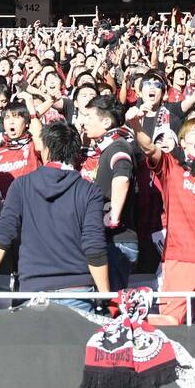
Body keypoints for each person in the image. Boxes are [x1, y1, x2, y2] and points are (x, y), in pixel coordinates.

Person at [0, 120, 110, 312]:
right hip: (77, 293)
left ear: (46, 150)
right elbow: (94, 248)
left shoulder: (21, 185)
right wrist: (106, 298)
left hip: (32, 293)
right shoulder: (89, 191)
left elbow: (2, 237)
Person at [127, 111, 195, 324]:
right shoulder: (171, 166)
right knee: (170, 322)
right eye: (193, 134)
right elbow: (149, 147)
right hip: (180, 257)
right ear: (183, 143)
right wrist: (135, 123)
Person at [76, 94, 138, 290]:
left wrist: (113, 217)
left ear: (106, 121)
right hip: (110, 241)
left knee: (112, 307)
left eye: (89, 116)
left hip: (117, 242)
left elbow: (122, 177)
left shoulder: (118, 146)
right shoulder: (107, 148)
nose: (83, 121)